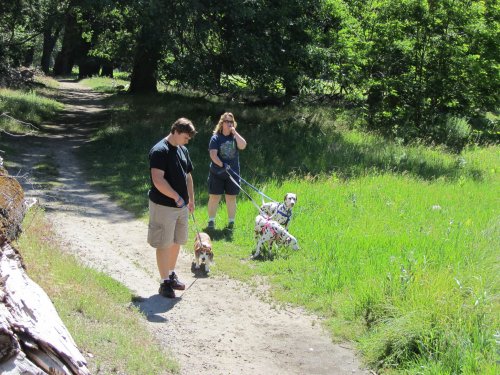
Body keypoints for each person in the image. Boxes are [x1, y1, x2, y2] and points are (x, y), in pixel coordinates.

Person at [147, 118, 197, 298]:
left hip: (182, 206)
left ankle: (171, 273)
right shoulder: (160, 151)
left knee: (177, 241)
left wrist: (191, 199)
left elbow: (188, 175)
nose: (187, 140)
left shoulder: (183, 150)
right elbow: (158, 180)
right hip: (164, 206)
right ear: (175, 131)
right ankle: (164, 282)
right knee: (164, 242)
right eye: (185, 137)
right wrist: (176, 196)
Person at [207, 112, 247, 230]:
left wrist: (235, 133)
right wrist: (222, 164)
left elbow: (243, 145)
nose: (229, 124)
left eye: (231, 121)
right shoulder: (215, 138)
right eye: (227, 121)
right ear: (222, 123)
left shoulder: (235, 137)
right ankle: (211, 221)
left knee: (231, 198)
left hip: (233, 174)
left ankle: (231, 223)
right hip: (217, 173)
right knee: (214, 197)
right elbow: (213, 155)